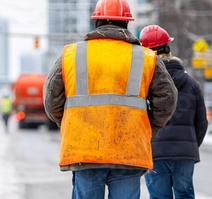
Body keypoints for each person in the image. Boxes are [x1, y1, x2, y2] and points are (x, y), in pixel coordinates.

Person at [43, 0, 178, 198]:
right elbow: (167, 101)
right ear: (126, 24)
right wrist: (146, 128)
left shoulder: (71, 54)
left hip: (84, 151)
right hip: (129, 151)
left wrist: (72, 123)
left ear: (97, 23)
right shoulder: (146, 58)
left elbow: (51, 100)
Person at [139, 25, 208, 199]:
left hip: (155, 154)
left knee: (159, 196)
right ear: (168, 48)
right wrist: (189, 145)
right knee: (185, 195)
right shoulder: (191, 83)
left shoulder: (144, 83)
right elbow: (201, 122)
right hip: (185, 154)